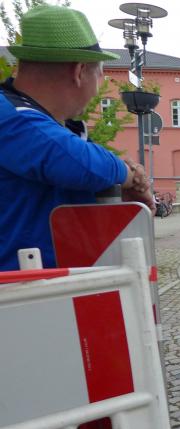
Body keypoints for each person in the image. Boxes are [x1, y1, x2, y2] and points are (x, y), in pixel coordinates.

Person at [0, 4, 152, 271]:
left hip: (53, 284)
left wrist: (122, 187)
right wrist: (128, 175)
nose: (98, 88)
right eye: (100, 75)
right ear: (79, 71)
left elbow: (90, 166)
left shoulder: (56, 126)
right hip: (18, 291)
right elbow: (79, 162)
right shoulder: (11, 116)